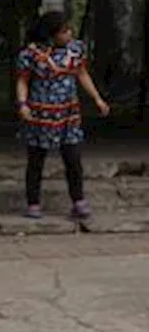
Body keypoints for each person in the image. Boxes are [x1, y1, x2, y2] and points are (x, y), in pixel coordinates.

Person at [15, 11, 110, 220]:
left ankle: (78, 200)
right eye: (64, 31)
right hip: (41, 113)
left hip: (68, 112)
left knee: (73, 158)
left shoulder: (75, 50)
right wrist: (23, 104)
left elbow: (82, 74)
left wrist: (97, 98)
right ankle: (33, 202)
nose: (69, 34)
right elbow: (23, 80)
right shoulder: (31, 54)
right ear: (52, 35)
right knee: (36, 159)